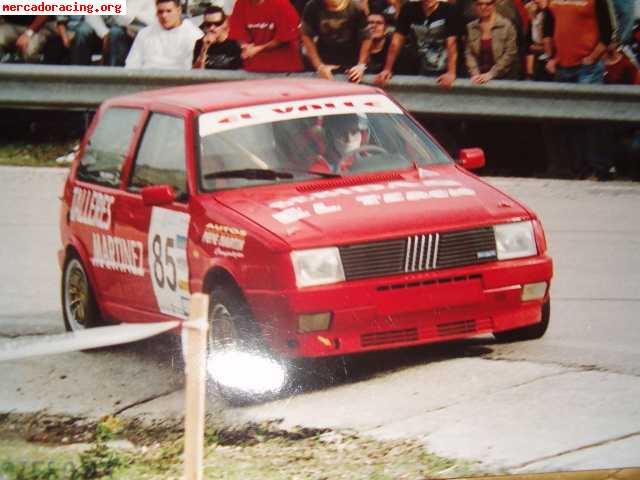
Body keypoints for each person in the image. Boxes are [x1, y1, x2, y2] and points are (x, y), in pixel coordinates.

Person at [542, 0, 615, 180]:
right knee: (567, 121)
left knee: (593, 119)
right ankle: (577, 169)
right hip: (562, 67)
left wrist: (591, 58)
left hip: (587, 68)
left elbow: (607, 33)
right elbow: (548, 28)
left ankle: (600, 168)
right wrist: (550, 57)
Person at [374, 0, 462, 88]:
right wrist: (387, 69)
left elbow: (452, 43)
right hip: (423, 65)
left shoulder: (449, 10)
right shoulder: (408, 9)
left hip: (449, 65)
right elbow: (396, 41)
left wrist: (451, 72)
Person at [301, 0, 373, 82]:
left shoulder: (356, 7)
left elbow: (367, 37)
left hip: (352, 60)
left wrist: (361, 65)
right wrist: (319, 66)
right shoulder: (313, 6)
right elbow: (306, 35)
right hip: (325, 59)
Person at [228, 0, 303, 73]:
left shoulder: (280, 3)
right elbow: (237, 31)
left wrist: (258, 49)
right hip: (253, 68)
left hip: (283, 68)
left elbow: (284, 37)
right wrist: (244, 46)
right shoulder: (241, 3)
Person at [125, 0, 203, 70]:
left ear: (179, 11)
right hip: (147, 79)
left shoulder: (193, 34)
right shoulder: (144, 33)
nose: (164, 16)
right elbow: (132, 64)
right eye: (160, 12)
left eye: (169, 11)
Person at [465, 0, 520, 83]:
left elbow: (510, 53)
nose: (483, 7)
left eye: (488, 4)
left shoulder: (507, 25)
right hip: (478, 79)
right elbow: (469, 53)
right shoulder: (470, 27)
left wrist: (491, 74)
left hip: (504, 79)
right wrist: (475, 73)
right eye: (479, 4)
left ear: (494, 5)